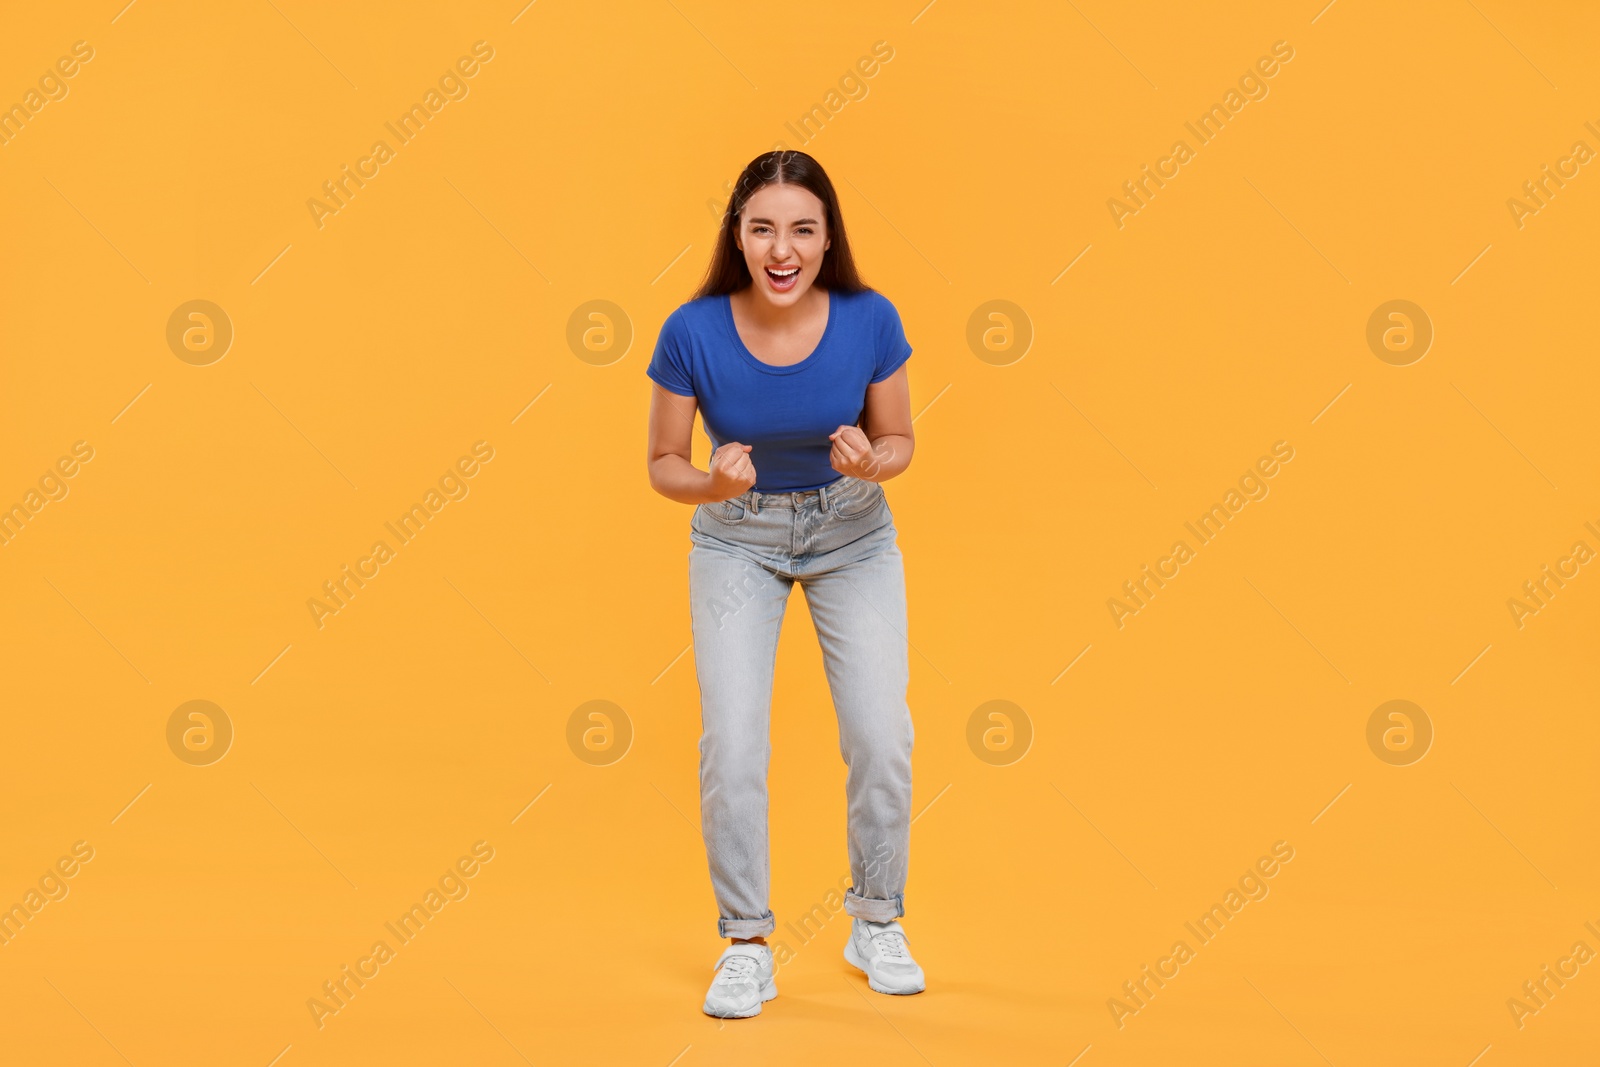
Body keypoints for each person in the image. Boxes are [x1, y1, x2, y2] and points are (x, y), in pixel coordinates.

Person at [645, 150, 926, 1018]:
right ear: (738, 234)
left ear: (827, 237)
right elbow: (663, 463)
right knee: (731, 745)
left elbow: (902, 441)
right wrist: (713, 486)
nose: (783, 247)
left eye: (802, 228)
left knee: (882, 735)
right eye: (763, 226)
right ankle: (746, 941)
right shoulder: (690, 329)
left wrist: (873, 462)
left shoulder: (870, 318)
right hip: (737, 538)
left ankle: (875, 920)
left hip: (852, 532)